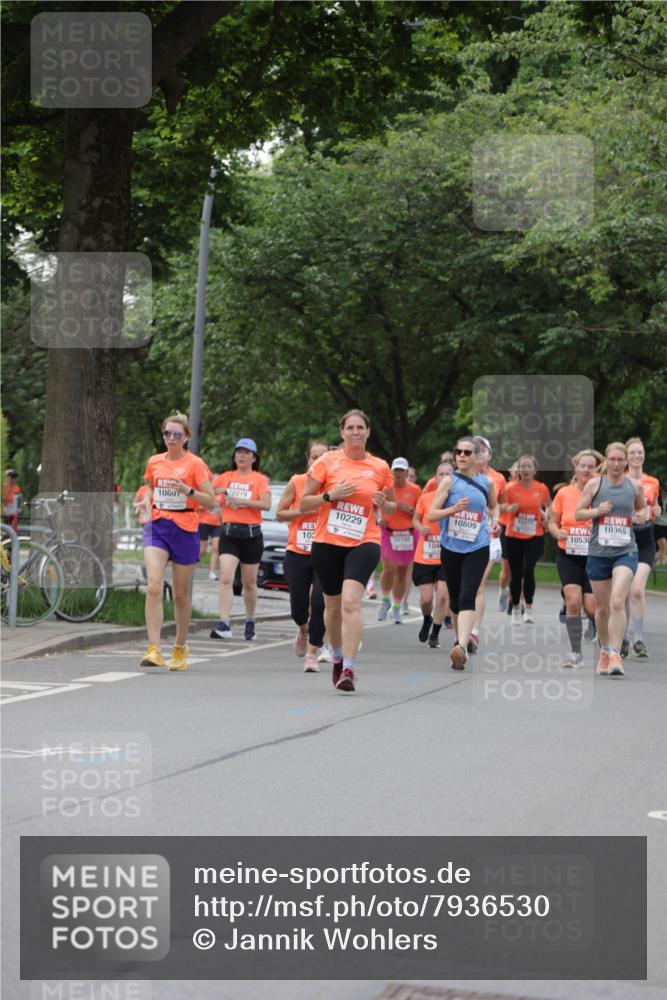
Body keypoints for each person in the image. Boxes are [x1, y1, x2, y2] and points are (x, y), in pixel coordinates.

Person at [301, 409, 396, 693]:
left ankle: (350, 669)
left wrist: (383, 503)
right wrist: (329, 495)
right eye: (350, 428)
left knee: (351, 603)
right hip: (327, 542)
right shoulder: (326, 462)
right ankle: (338, 657)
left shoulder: (380, 467)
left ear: (368, 432)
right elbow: (304, 502)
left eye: (360, 428)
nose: (355, 432)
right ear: (342, 432)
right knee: (332, 608)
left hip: (364, 541)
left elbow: (391, 508)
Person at [138, 413, 215, 671]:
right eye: (167, 434)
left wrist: (188, 490)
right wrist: (145, 499)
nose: (171, 438)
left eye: (177, 434)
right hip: (158, 525)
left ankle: (180, 647)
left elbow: (210, 500)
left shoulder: (195, 464)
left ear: (186, 437)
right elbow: (150, 487)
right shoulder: (155, 461)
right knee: (153, 585)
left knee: (180, 595)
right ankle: (154, 648)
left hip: (185, 528)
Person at [428, 436, 500, 670]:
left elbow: (494, 505)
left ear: (477, 457)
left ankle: (461, 647)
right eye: (458, 451)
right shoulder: (449, 482)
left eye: (467, 452)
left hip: (478, 547)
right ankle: (461, 639)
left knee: (468, 594)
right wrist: (453, 509)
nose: (461, 456)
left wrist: (496, 520)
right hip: (451, 547)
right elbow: (431, 514)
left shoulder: (487, 483)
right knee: (456, 597)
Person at [576, 442, 644, 677]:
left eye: (620, 460)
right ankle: (604, 650)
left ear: (626, 462)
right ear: (606, 461)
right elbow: (578, 512)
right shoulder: (595, 484)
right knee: (602, 608)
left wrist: (641, 516)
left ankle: (615, 653)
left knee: (617, 601)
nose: (616, 464)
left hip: (626, 551)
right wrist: (597, 511)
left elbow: (641, 511)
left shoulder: (635, 486)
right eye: (612, 459)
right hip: (599, 552)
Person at [210, 438, 271, 641]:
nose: (242, 456)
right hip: (229, 534)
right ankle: (224, 623)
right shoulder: (225, 477)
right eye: (239, 452)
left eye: (246, 453)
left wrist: (241, 501)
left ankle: (250, 620)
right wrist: (215, 491)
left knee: (249, 583)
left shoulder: (259, 479)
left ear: (254, 458)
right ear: (234, 456)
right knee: (226, 577)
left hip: (251, 535)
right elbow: (207, 492)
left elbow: (266, 504)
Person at [277, 441, 328, 672]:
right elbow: (280, 514)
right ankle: (302, 629)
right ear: (308, 460)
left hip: (325, 550)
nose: (318, 461)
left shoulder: (333, 485)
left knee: (319, 602)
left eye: (323, 456)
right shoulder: (297, 482)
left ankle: (312, 653)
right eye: (314, 456)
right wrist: (302, 511)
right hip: (297, 551)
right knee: (298, 607)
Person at [549, 450, 600, 668]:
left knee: (592, 607)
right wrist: (557, 532)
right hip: (568, 553)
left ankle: (605, 640)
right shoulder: (564, 493)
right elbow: (552, 521)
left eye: (591, 466)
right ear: (576, 468)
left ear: (596, 469)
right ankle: (576, 652)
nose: (586, 470)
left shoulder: (601, 492)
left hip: (595, 556)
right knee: (573, 601)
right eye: (583, 466)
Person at [467, 436, 506, 653]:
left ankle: (474, 632)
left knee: (478, 584)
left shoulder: (498, 479)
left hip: (488, 535)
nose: (479, 454)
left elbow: (503, 504)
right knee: (462, 586)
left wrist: (495, 515)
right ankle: (462, 625)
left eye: (483, 450)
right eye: (475, 450)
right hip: (464, 535)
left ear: (490, 455)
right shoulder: (462, 475)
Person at [624, 437, 661, 658]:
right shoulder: (620, 480)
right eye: (633, 453)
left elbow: (654, 505)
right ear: (626, 457)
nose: (637, 456)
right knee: (624, 591)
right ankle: (623, 636)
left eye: (640, 452)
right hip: (624, 538)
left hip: (645, 538)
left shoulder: (653, 482)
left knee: (637, 590)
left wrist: (656, 510)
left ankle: (638, 640)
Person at [503, 455, 550, 624]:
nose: (525, 469)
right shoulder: (510, 488)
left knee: (528, 569)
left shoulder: (541, 488)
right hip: (514, 535)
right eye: (522, 466)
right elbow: (499, 506)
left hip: (534, 535)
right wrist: (509, 508)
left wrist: (547, 518)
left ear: (535, 470)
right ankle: (516, 609)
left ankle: (528, 608)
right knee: (516, 574)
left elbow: (550, 506)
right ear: (518, 470)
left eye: (529, 466)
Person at [376, 458, 422, 624]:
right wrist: (379, 519)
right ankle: (385, 601)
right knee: (388, 568)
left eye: (402, 470)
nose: (399, 474)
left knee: (402, 573)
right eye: (396, 470)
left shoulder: (415, 490)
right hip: (389, 532)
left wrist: (406, 508)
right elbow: (374, 506)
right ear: (391, 472)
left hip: (408, 534)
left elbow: (420, 513)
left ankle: (396, 607)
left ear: (407, 472)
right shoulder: (385, 488)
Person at [412, 461, 451, 648]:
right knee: (427, 599)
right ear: (435, 478)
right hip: (425, 555)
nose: (444, 477)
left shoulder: (458, 500)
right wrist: (421, 528)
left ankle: (435, 633)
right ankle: (427, 618)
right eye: (441, 474)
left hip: (447, 555)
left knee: (442, 596)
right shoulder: (425, 498)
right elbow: (416, 519)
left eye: (448, 474)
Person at [498, 461, 519, 613]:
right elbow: (497, 507)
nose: (518, 472)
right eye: (515, 470)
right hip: (506, 528)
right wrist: (508, 508)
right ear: (510, 471)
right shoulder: (506, 488)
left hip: (524, 531)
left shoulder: (531, 488)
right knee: (506, 572)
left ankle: (515, 601)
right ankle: (503, 590)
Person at [198, 485, 222, 581]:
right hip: (204, 522)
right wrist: (209, 505)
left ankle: (212, 572)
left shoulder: (221, 495)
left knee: (216, 548)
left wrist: (221, 516)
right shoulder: (205, 494)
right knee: (202, 550)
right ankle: (190, 565)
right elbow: (197, 507)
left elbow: (222, 509)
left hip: (216, 524)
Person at [655, 481, 667, 566]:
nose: (666, 493)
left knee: (663, 548)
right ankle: (661, 563)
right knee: (663, 545)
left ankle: (654, 559)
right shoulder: (657, 499)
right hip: (659, 525)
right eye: (665, 490)